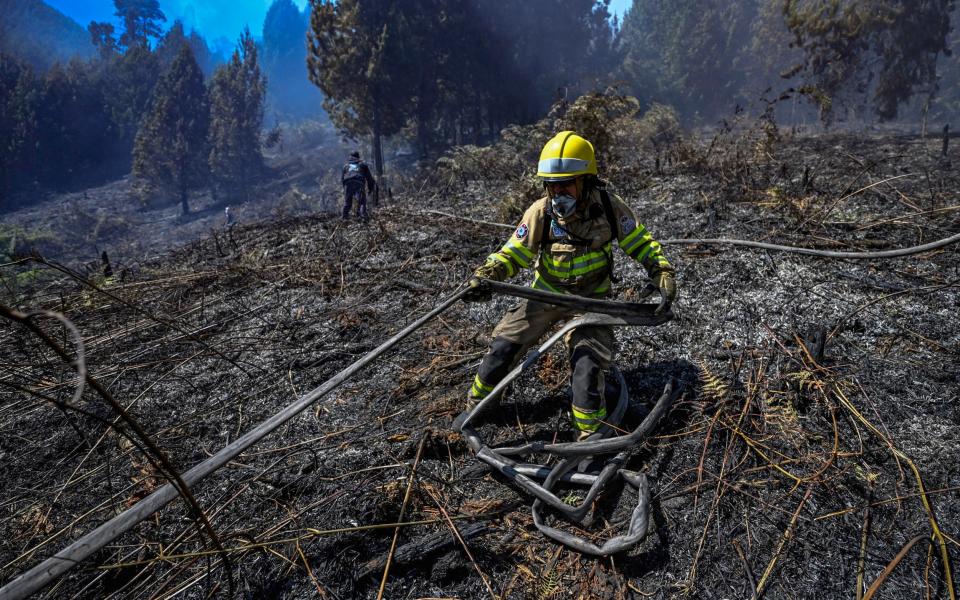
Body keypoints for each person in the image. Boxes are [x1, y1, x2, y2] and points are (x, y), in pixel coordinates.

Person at [463, 131, 677, 440]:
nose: (558, 193)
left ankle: (590, 435)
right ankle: (479, 407)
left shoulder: (609, 207)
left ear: (586, 181)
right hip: (545, 293)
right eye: (552, 185)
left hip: (592, 301)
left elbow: (640, 242)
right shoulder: (540, 212)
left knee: (587, 365)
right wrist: (489, 273)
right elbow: (515, 252)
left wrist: (660, 271)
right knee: (503, 347)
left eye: (566, 184)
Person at [341, 151, 377, 222]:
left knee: (347, 202)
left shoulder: (345, 166)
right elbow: (369, 179)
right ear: (358, 157)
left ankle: (344, 217)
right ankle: (363, 217)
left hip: (348, 183)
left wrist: (345, 190)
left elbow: (342, 179)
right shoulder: (363, 165)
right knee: (362, 202)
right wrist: (370, 189)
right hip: (358, 182)